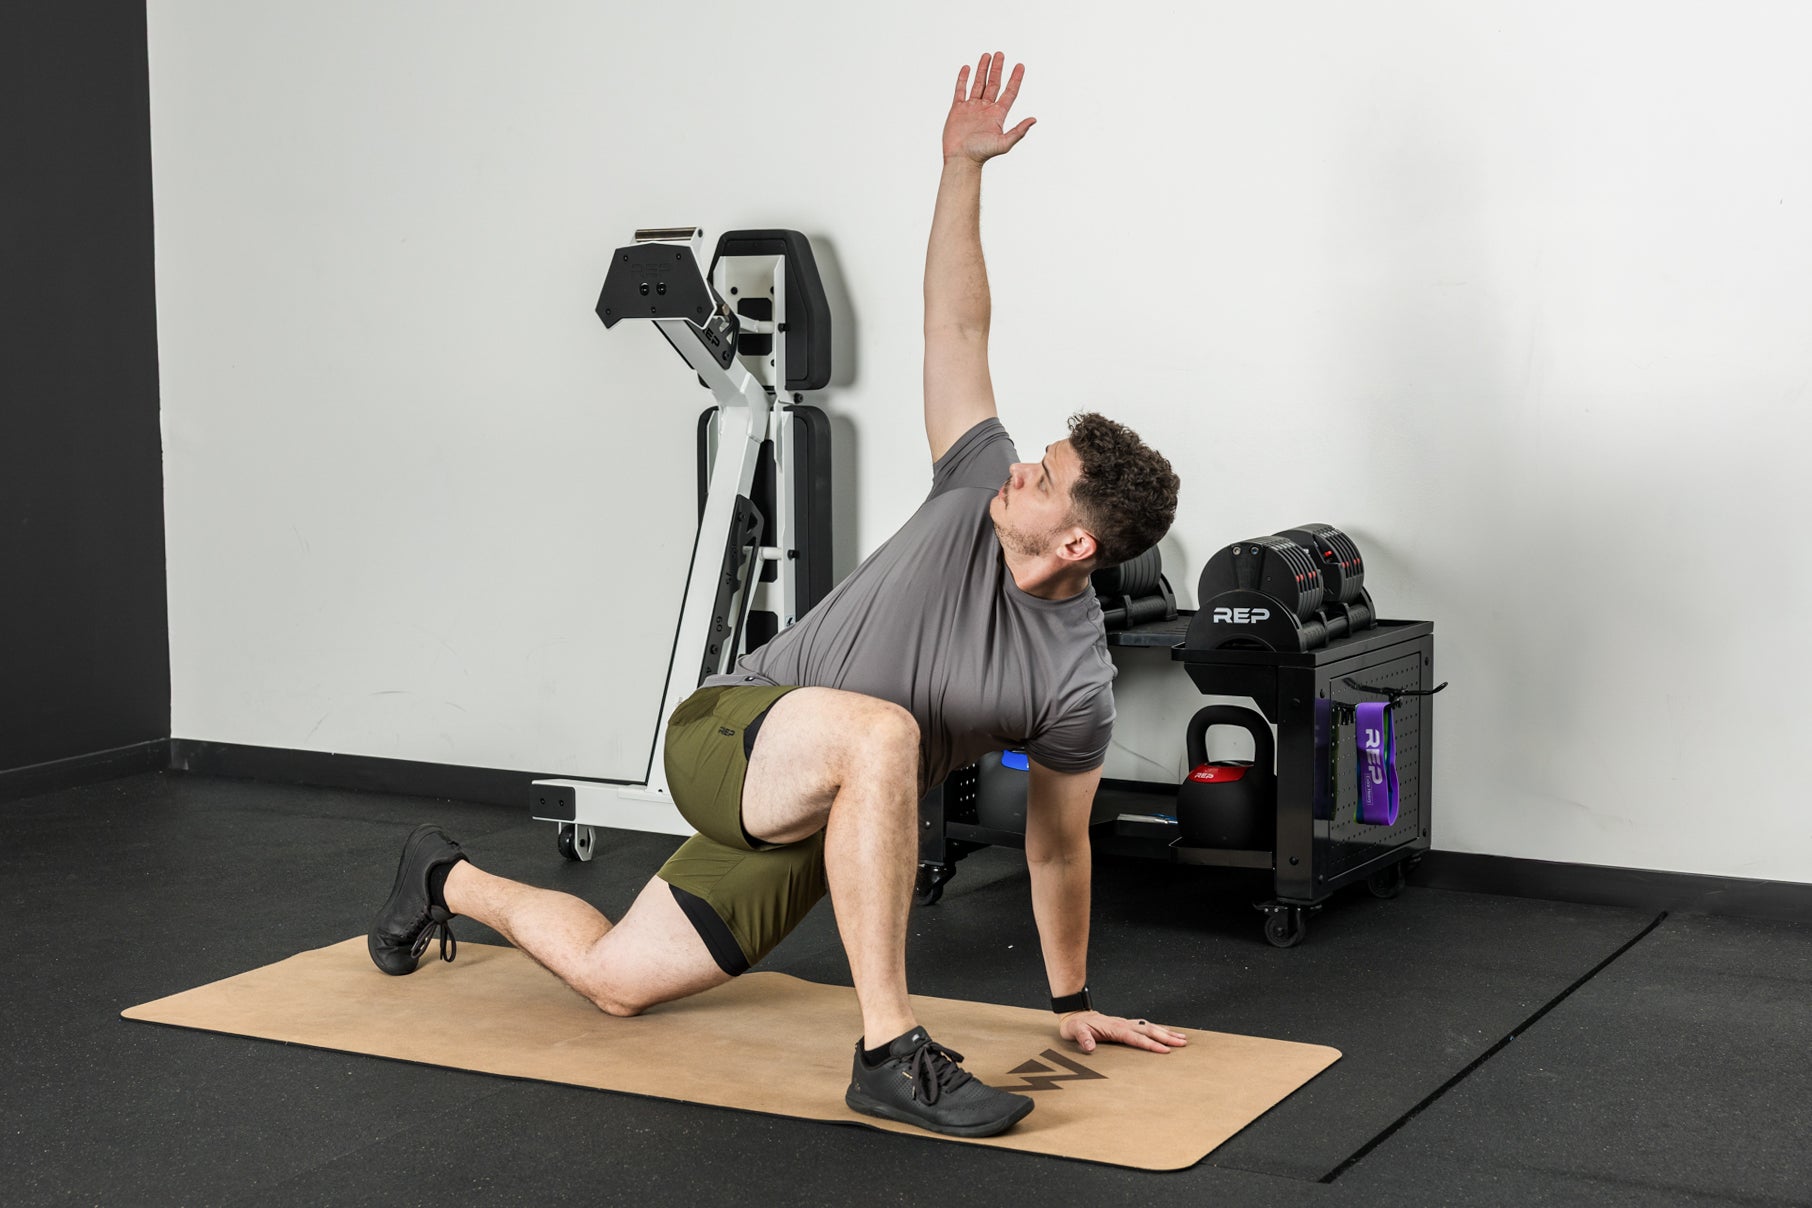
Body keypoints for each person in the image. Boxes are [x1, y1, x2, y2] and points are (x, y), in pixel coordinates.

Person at [368, 51, 1185, 1140]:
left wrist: (1072, 999)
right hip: (733, 733)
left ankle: (442, 876)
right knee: (886, 732)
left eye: (1043, 476)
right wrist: (961, 169)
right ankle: (891, 1050)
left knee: (617, 976)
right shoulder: (971, 484)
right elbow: (957, 329)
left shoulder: (1075, 679)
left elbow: (1057, 844)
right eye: (1030, 455)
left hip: (832, 807)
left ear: (1076, 539)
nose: (1019, 470)